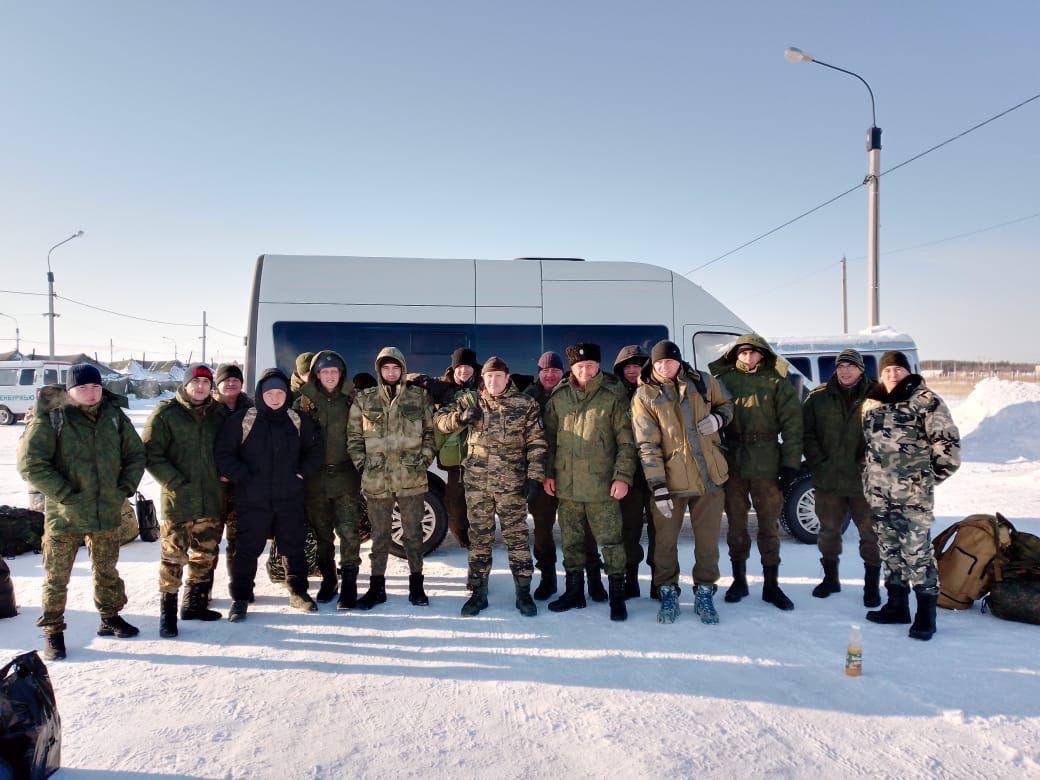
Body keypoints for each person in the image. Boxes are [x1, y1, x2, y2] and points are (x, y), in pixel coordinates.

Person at [17, 364, 146, 660]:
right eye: (84, 388)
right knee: (56, 576)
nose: (91, 394)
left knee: (106, 569)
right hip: (66, 515)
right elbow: (31, 464)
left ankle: (109, 617)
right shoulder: (53, 417)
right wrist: (64, 494)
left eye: (96, 388)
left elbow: (135, 454)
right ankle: (53, 631)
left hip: (105, 511)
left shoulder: (113, 415)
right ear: (70, 390)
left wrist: (124, 487)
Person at [434, 357, 547, 616]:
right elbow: (439, 420)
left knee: (517, 539)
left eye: (498, 376)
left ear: (507, 378)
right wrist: (460, 418)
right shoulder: (470, 400)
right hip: (477, 486)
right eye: (488, 376)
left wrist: (535, 477)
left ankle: (523, 593)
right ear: (482, 379)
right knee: (479, 540)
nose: (493, 381)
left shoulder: (525, 405)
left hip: (512, 486)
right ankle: (478, 593)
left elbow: (537, 443)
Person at [631, 340, 734, 624]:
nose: (666, 366)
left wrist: (719, 419)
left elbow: (728, 404)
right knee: (665, 542)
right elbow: (647, 445)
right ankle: (668, 591)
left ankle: (704, 591)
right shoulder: (645, 396)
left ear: (679, 361)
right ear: (653, 364)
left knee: (708, 542)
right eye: (660, 362)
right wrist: (658, 487)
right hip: (670, 483)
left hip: (709, 478)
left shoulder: (704, 382)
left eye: (670, 361)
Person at [861, 351, 960, 640]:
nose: (893, 373)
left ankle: (926, 616)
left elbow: (949, 449)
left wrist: (925, 481)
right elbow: (870, 446)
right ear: (880, 374)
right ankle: (896, 606)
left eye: (898, 368)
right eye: (887, 369)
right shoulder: (871, 403)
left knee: (917, 554)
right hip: (879, 495)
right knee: (889, 551)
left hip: (912, 497)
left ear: (908, 371)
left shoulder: (926, 401)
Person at [214, 369, 324, 620]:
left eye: (280, 393)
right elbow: (223, 454)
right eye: (269, 393)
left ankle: (298, 592)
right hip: (252, 498)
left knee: (293, 546)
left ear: (287, 394)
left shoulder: (298, 420)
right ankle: (241, 598)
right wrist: (243, 476)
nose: (275, 398)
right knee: (246, 549)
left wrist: (301, 473)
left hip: (289, 497)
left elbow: (316, 451)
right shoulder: (245, 419)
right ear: (260, 394)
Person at [543, 343, 636, 621]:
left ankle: (617, 596)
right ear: (571, 368)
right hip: (567, 485)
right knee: (571, 542)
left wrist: (622, 476)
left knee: (611, 542)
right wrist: (548, 473)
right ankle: (574, 592)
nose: (585, 371)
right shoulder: (559, 397)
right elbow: (548, 439)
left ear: (598, 366)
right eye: (579, 366)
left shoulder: (613, 396)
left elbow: (626, 442)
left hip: (602, 486)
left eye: (591, 366)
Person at [709, 334, 802, 611]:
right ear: (735, 354)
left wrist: (790, 465)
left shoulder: (777, 383)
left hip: (766, 462)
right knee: (736, 525)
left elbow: (793, 426)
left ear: (763, 355)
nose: (748, 357)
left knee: (768, 526)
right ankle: (739, 581)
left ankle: (771, 585)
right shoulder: (723, 381)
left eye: (754, 352)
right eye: (743, 352)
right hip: (734, 461)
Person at [346, 347, 436, 609]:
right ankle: (377, 588)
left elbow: (431, 433)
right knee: (380, 535)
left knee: (413, 535)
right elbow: (353, 438)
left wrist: (424, 460)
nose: (391, 372)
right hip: (377, 479)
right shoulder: (365, 400)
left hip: (411, 477)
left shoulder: (419, 398)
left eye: (396, 368)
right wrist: (364, 466)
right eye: (386, 368)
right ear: (379, 371)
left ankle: (416, 587)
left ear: (403, 369)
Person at [144, 364, 227, 636]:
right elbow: (150, 453)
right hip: (179, 500)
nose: (201, 387)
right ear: (185, 384)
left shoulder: (219, 413)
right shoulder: (166, 414)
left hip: (211, 498)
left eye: (206, 382)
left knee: (205, 554)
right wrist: (173, 480)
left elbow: (231, 447)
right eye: (196, 382)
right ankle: (167, 616)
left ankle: (194, 605)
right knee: (173, 557)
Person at [524, 351, 608, 602]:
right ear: (538, 372)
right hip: (542, 474)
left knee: (584, 528)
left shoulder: (574, 392)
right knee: (542, 530)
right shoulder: (528, 397)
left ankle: (593, 579)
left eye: (555, 369)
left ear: (565, 372)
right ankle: (547, 578)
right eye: (545, 369)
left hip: (576, 472)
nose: (549, 374)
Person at [802, 349, 882, 607]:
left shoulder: (878, 396)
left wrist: (870, 459)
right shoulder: (819, 398)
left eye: (851, 366)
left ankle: (871, 586)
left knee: (871, 534)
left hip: (865, 481)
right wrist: (819, 463)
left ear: (861, 369)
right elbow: (807, 433)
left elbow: (888, 434)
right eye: (841, 366)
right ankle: (830, 579)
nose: (845, 371)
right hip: (830, 480)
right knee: (828, 532)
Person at [293, 350, 363, 608]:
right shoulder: (303, 401)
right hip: (315, 479)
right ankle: (328, 577)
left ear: (341, 373)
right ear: (316, 374)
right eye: (325, 372)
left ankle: (350, 583)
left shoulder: (353, 399)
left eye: (334, 371)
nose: (330, 376)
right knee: (322, 534)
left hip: (346, 475)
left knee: (349, 532)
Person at [199, 362, 253, 606]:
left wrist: (241, 472)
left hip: (242, 485)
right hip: (213, 486)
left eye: (236, 379)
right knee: (207, 541)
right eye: (225, 379)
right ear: (216, 384)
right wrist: (218, 471)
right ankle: (202, 589)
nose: (231, 383)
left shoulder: (252, 408)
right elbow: (201, 448)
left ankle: (239, 586)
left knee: (240, 541)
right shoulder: (206, 410)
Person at [613, 345, 655, 598]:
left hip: (656, 471)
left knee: (659, 531)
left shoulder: (655, 392)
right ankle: (631, 578)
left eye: (637, 366)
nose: (632, 371)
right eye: (627, 366)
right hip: (629, 473)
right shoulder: (616, 395)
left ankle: (659, 580)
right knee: (629, 529)